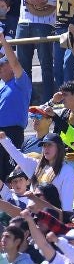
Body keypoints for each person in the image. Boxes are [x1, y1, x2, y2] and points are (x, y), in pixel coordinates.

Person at [0, 31, 31, 183]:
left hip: (12, 133)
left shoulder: (21, 81)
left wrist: (3, 41)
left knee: (12, 175)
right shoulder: (1, 84)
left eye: (1, 64)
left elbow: (15, 62)